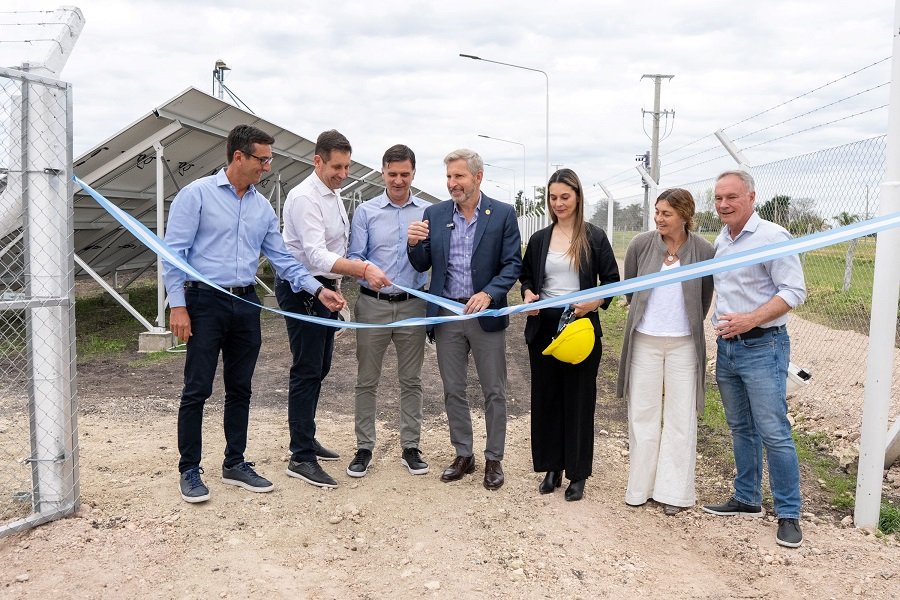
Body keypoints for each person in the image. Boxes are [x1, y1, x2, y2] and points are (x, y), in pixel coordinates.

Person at [163, 124, 345, 504]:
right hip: (203, 303)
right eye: (262, 159)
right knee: (197, 388)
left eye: (269, 159)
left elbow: (284, 261)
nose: (267, 166)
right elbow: (173, 254)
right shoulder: (196, 195)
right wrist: (177, 305)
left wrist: (319, 290)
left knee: (241, 387)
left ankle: (235, 462)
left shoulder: (262, 207)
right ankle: (190, 469)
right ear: (238, 157)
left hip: (246, 304)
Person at [276, 129, 391, 489]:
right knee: (307, 369)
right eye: (337, 166)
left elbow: (336, 247)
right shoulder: (305, 197)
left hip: (325, 289)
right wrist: (362, 270)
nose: (343, 173)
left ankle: (306, 438)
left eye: (347, 166)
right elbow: (315, 254)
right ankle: (300, 456)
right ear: (318, 161)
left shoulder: (333, 194)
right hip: (303, 290)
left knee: (320, 366)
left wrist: (338, 284)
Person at [701, 170, 807, 549]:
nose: (724, 204)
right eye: (718, 198)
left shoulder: (772, 237)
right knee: (740, 427)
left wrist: (750, 319)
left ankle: (789, 513)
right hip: (728, 349)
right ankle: (746, 498)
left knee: (774, 431)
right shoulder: (723, 241)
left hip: (764, 346)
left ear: (751, 197)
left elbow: (794, 290)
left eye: (732, 197)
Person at [407, 149, 521, 491]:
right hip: (446, 316)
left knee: (494, 390)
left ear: (478, 177)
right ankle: (463, 454)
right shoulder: (436, 213)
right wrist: (413, 243)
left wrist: (489, 293)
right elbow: (421, 264)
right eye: (448, 177)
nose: (452, 183)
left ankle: (494, 459)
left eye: (458, 176)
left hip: (484, 314)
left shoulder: (501, 214)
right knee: (453, 389)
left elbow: (512, 264)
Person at [520, 169, 620, 502]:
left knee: (578, 401)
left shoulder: (594, 237)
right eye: (553, 197)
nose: (559, 203)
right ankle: (552, 467)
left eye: (565, 196)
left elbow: (612, 281)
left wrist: (597, 299)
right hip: (545, 329)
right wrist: (528, 295)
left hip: (580, 329)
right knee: (547, 400)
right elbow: (527, 279)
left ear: (577, 196)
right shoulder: (539, 239)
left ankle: (577, 473)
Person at [616, 188, 714, 515]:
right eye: (657, 212)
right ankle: (640, 488)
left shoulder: (703, 250)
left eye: (666, 214)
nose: (658, 218)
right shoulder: (641, 245)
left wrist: (685, 325)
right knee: (642, 413)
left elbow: (704, 296)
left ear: (685, 216)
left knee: (680, 416)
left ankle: (675, 492)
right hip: (645, 340)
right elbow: (631, 287)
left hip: (684, 344)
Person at [345, 144, 430, 478]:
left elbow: (433, 255)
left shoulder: (428, 213)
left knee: (412, 380)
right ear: (383, 173)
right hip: (373, 305)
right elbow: (355, 255)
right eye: (392, 174)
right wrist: (367, 269)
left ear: (413, 174)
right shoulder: (366, 212)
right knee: (367, 380)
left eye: (404, 174)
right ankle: (364, 447)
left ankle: (411, 447)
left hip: (413, 306)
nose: (398, 180)